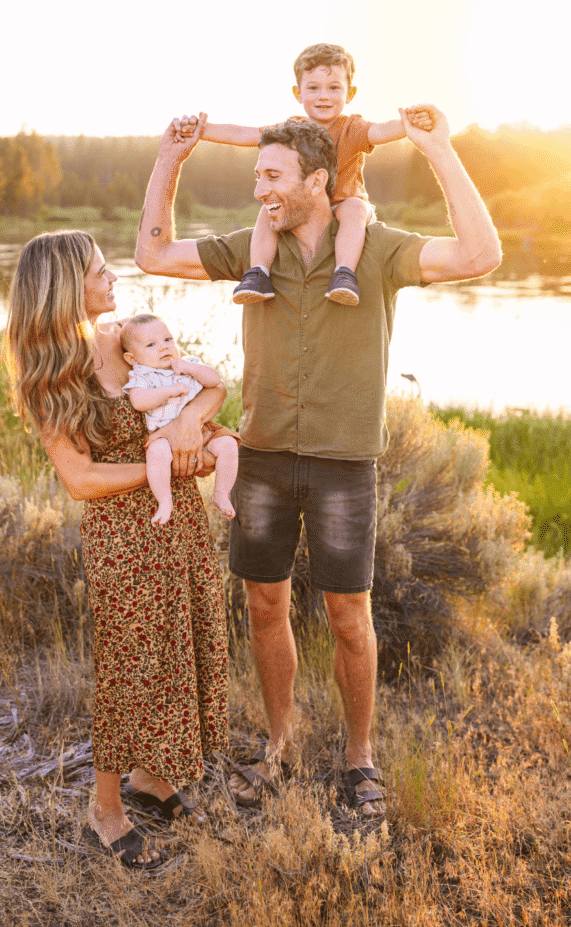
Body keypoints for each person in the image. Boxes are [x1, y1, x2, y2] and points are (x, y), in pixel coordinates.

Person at [134, 106, 501, 816]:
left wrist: (439, 152)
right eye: (256, 174)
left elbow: (478, 256)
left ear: (315, 179)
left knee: (346, 614)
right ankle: (281, 742)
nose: (259, 189)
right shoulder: (252, 246)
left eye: (271, 176)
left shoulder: (378, 248)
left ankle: (358, 757)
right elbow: (154, 256)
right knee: (264, 602)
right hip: (263, 458)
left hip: (342, 464)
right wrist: (167, 161)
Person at [2, 231, 229, 866]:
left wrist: (189, 427)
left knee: (180, 647)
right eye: (102, 271)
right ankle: (106, 810)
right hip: (122, 540)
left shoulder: (131, 340)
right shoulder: (53, 374)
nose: (113, 278)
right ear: (67, 287)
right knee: (128, 667)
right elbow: (80, 480)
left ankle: (153, 781)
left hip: (177, 526)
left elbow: (204, 390)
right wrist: (168, 469)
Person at [176, 42, 433, 307]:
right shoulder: (291, 130)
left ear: (350, 93)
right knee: (268, 209)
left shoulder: (352, 128)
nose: (324, 96)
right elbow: (244, 133)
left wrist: (410, 123)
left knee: (355, 209)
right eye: (313, 88)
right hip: (303, 205)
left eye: (334, 87)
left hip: (346, 203)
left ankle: (344, 274)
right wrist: (201, 130)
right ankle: (258, 274)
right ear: (298, 93)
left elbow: (380, 131)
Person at [120, 312, 239, 524]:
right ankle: (165, 501)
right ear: (132, 359)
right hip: (164, 435)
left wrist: (190, 367)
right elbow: (139, 401)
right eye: (151, 345)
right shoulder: (143, 375)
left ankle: (222, 492)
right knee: (157, 455)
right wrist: (168, 391)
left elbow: (214, 381)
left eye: (168, 340)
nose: (164, 347)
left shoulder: (186, 364)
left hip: (203, 429)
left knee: (229, 444)